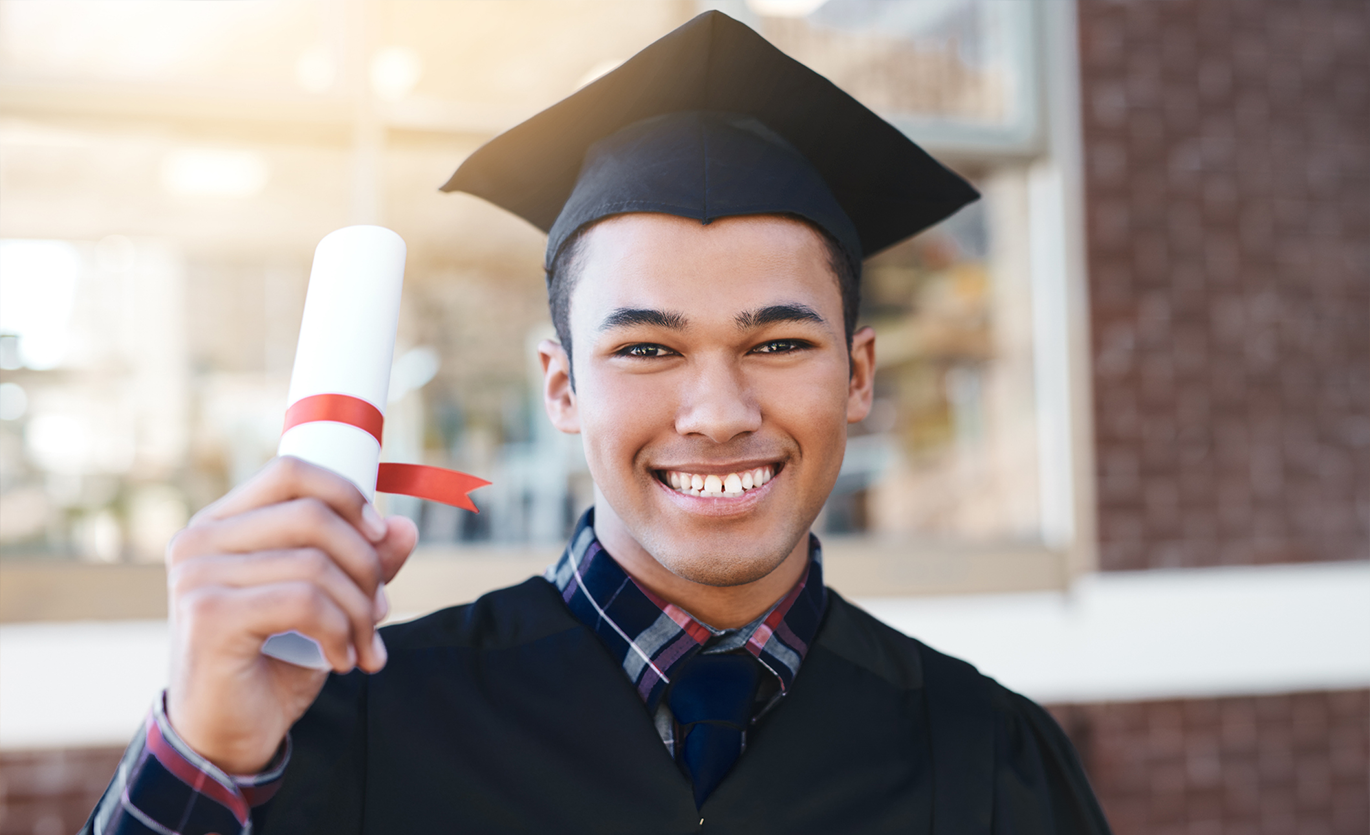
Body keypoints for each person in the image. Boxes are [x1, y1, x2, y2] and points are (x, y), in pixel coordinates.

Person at [84, 12, 1111, 835]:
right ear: (560, 388)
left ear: (857, 373)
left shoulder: (986, 759)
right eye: (647, 349)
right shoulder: (347, 728)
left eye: (777, 343)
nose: (716, 413)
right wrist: (202, 750)